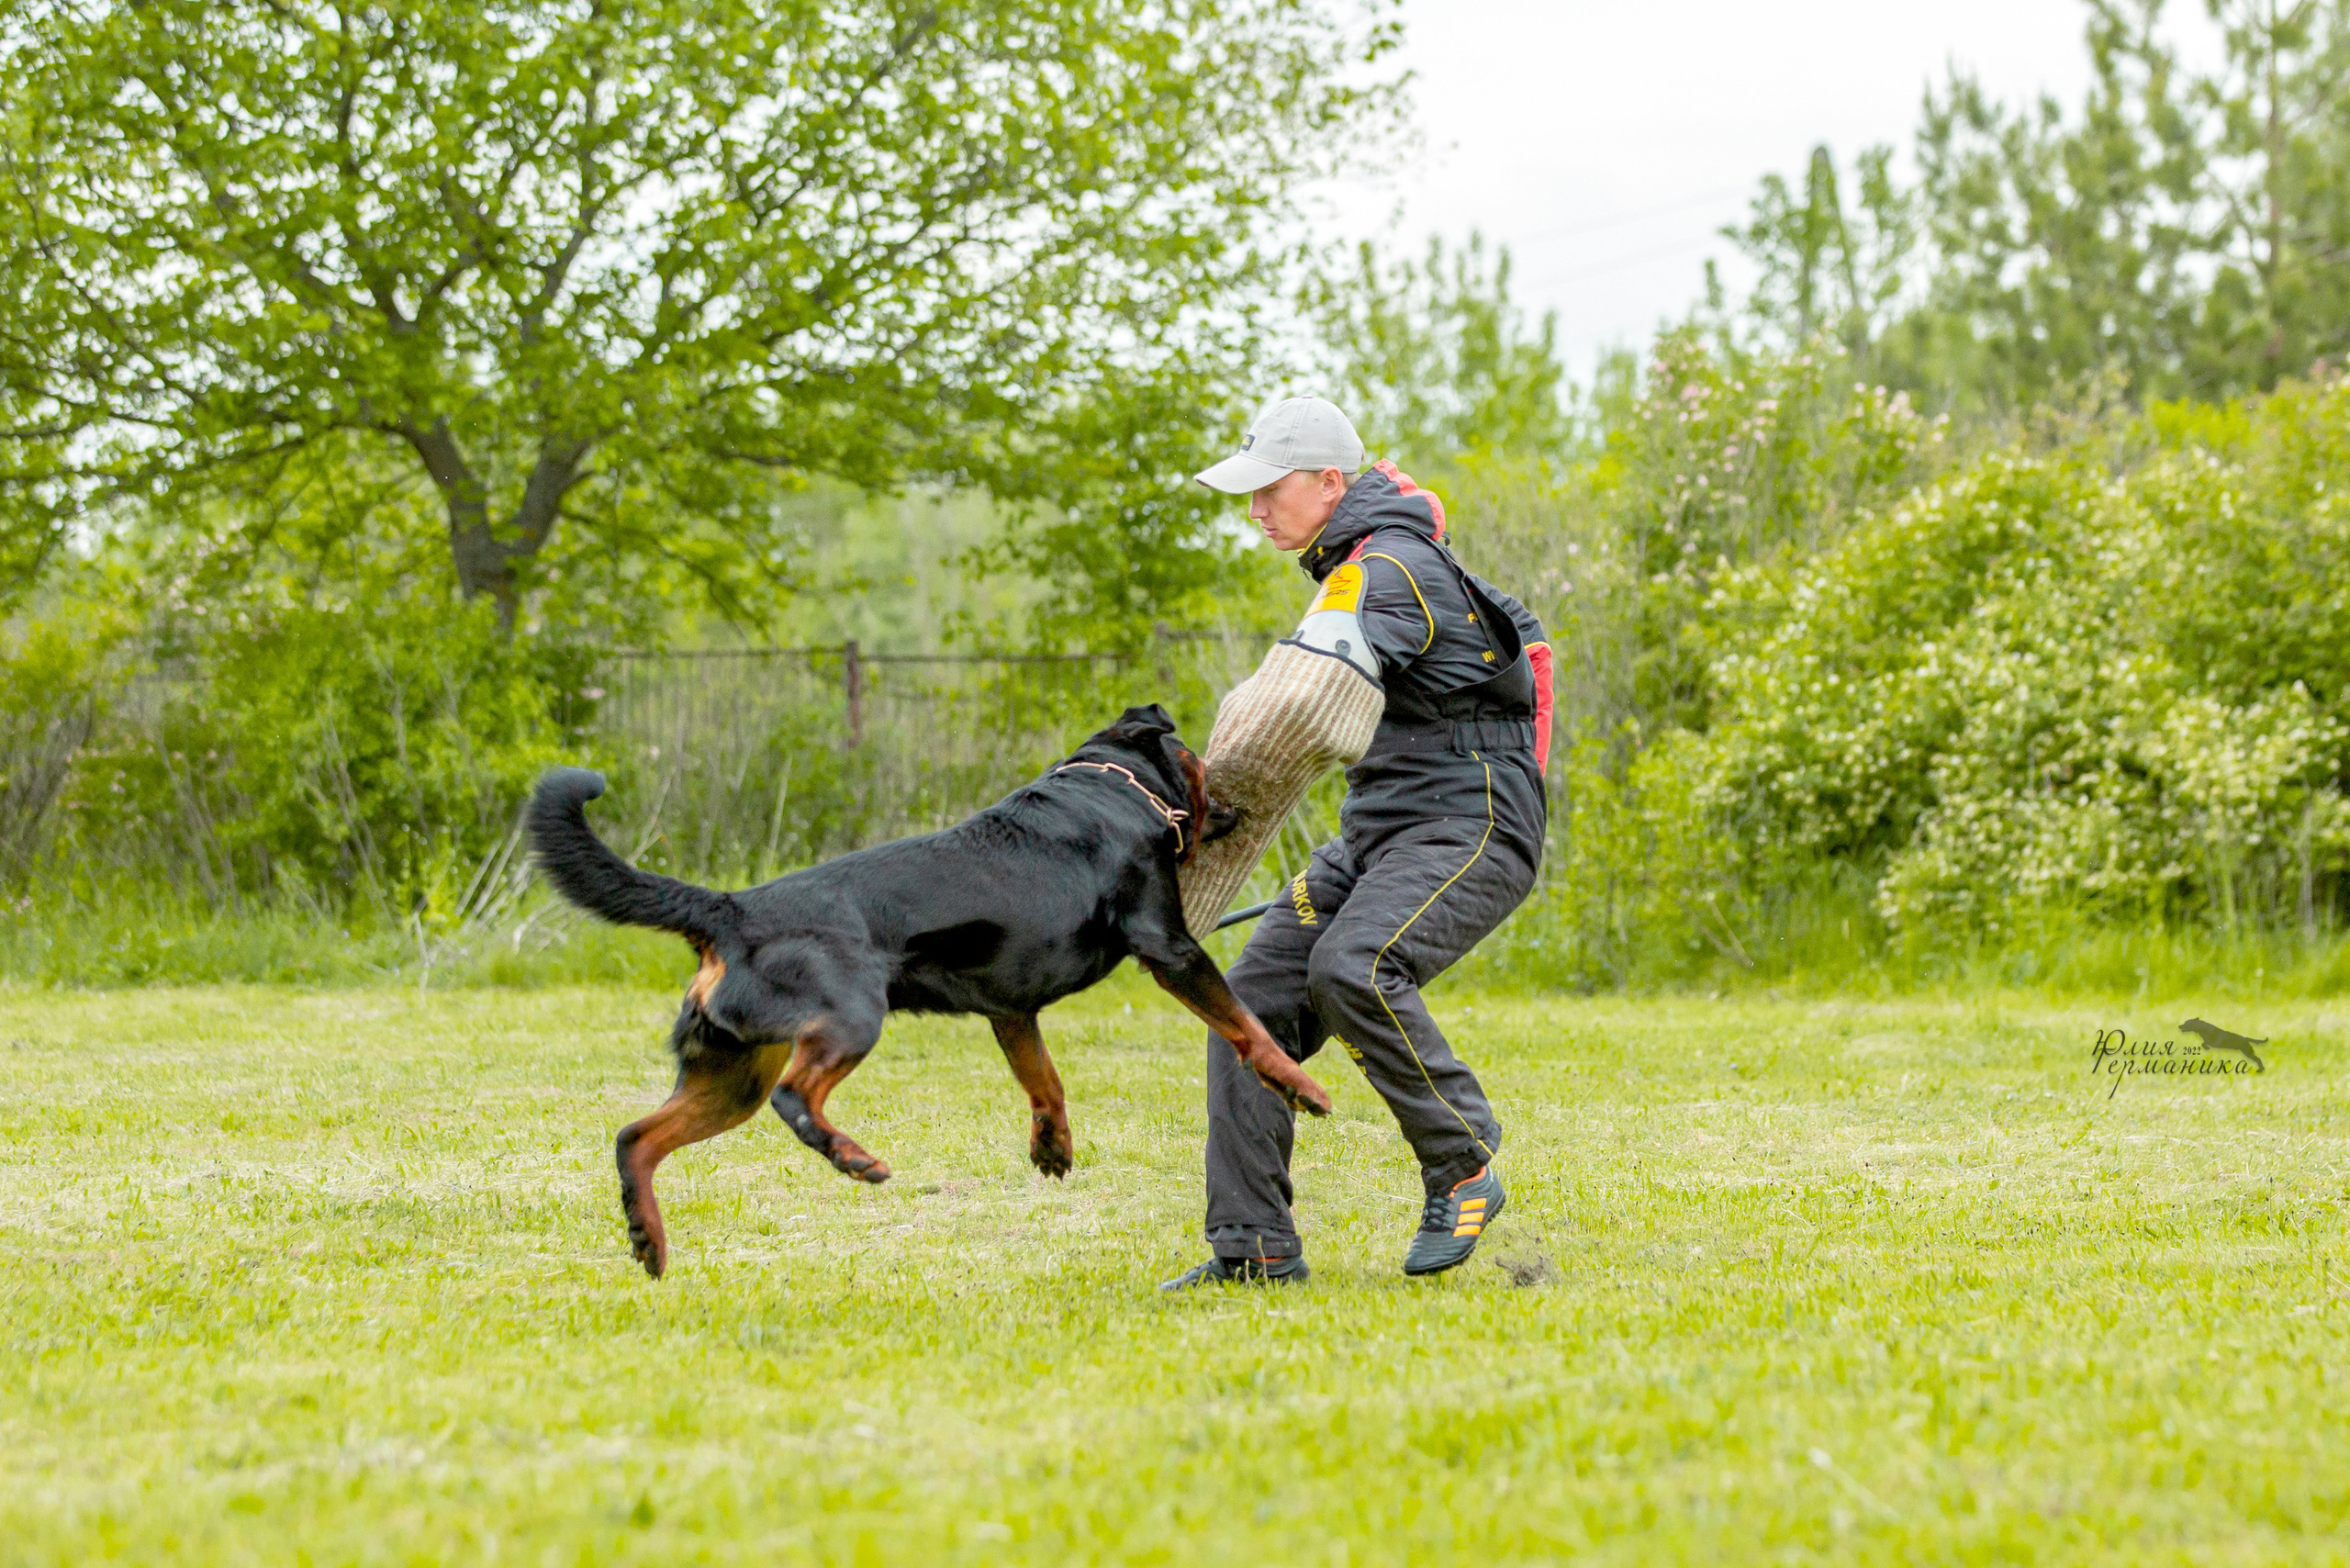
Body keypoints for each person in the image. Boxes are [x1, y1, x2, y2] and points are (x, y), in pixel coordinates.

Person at [1161, 396, 1553, 1287]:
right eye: (1247, 492)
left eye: (1269, 489)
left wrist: (1192, 820)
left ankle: (1462, 1161)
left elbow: (1293, 703)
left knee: (1355, 965)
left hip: (1473, 819)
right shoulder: (1360, 565)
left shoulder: (1387, 570)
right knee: (1246, 1010)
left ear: (1330, 482)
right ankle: (1254, 1247)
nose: (1255, 510)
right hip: (1380, 828)